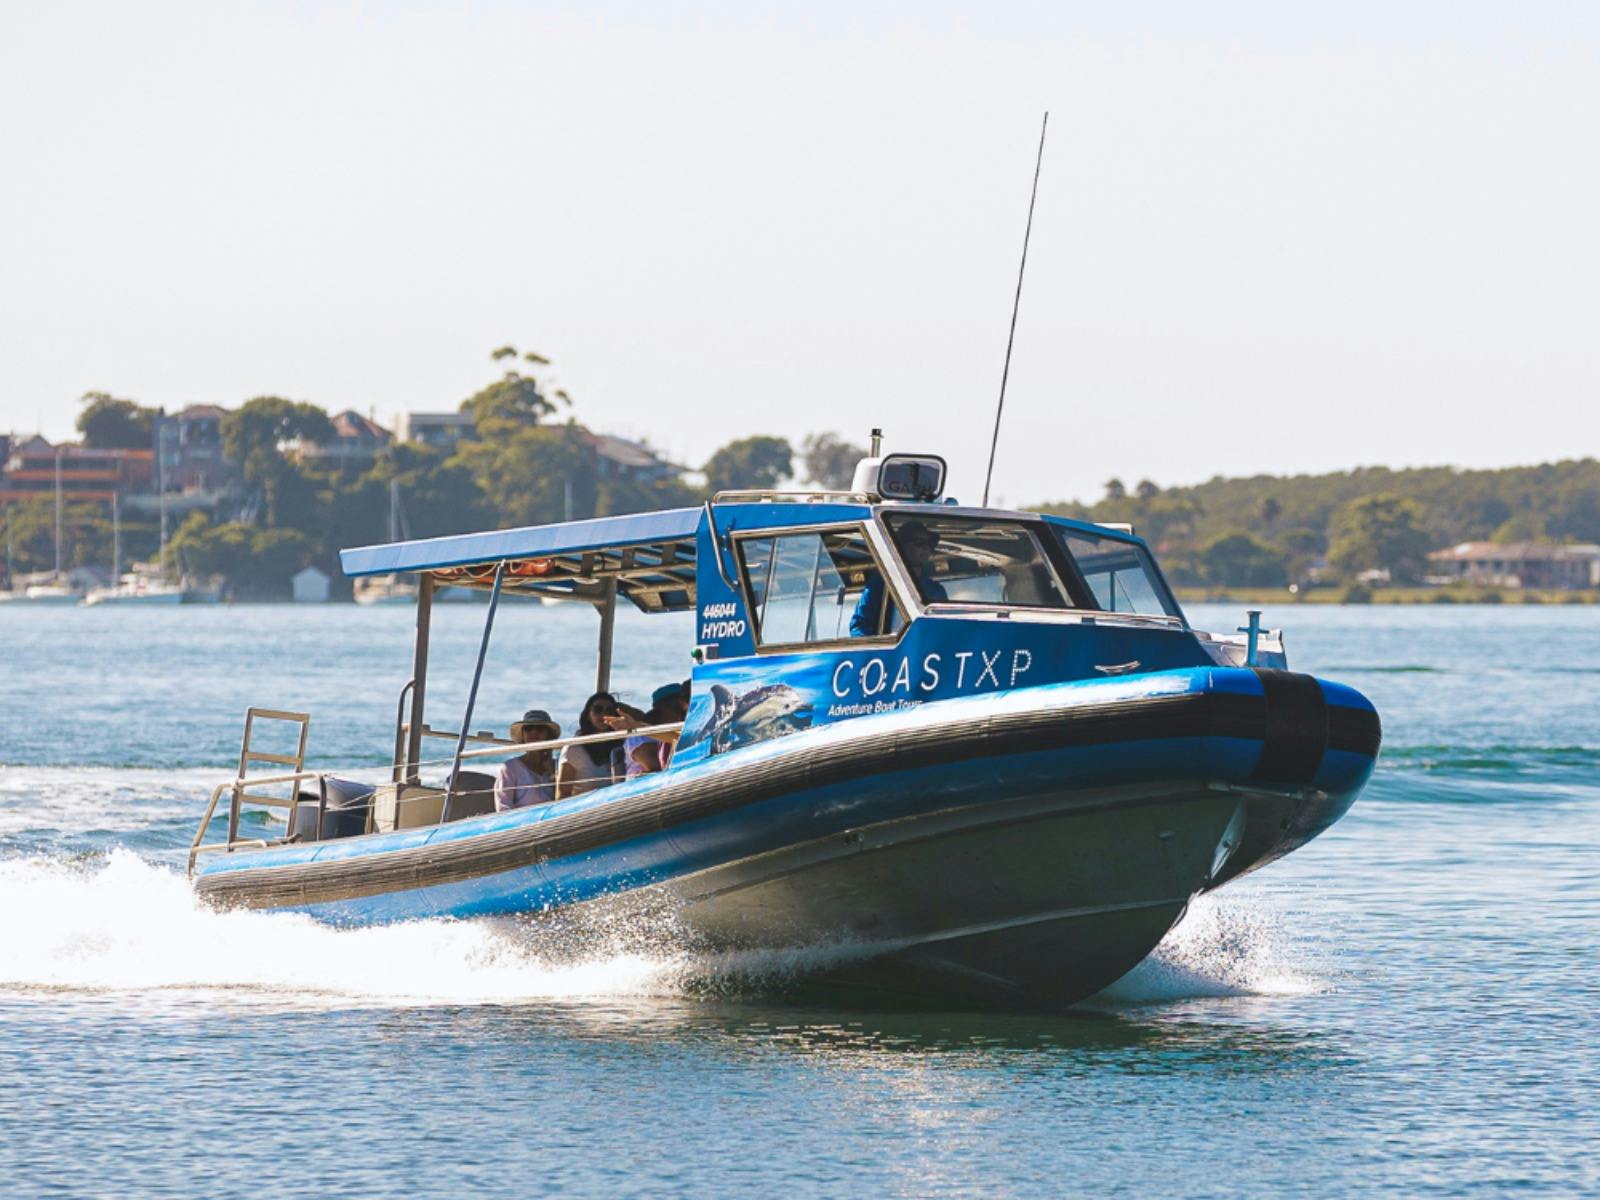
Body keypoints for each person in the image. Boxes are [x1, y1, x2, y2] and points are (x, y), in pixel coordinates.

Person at [850, 520, 946, 636]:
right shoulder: (879, 585)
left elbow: (944, 628)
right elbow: (859, 626)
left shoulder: (936, 590)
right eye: (919, 543)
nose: (926, 548)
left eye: (929, 544)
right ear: (902, 547)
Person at [556, 691, 628, 800]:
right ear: (588, 715)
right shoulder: (574, 748)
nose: (604, 715)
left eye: (609, 710)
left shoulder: (622, 745)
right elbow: (562, 795)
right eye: (598, 709)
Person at [494, 709, 561, 811]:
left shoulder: (559, 766)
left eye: (540, 728)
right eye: (528, 728)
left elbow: (565, 800)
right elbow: (503, 806)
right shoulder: (510, 768)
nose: (534, 732)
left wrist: (552, 773)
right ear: (523, 735)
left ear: (548, 735)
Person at [622, 682, 690, 778]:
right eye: (674, 707)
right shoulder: (639, 735)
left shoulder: (687, 728)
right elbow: (654, 765)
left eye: (684, 706)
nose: (681, 712)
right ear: (659, 712)